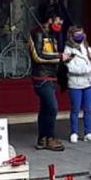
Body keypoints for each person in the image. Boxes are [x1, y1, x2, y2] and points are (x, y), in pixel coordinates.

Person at [29, 10, 68, 151]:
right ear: (50, 20)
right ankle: (50, 137)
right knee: (52, 108)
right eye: (58, 21)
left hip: (51, 77)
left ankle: (42, 139)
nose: (60, 24)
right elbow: (38, 56)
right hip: (41, 77)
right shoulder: (37, 33)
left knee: (45, 109)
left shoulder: (52, 36)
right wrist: (59, 56)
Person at [64, 25, 91, 144]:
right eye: (77, 34)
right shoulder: (68, 50)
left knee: (88, 109)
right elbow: (71, 67)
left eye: (82, 33)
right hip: (75, 83)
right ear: (72, 36)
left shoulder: (87, 48)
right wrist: (87, 69)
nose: (80, 36)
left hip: (89, 82)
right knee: (75, 109)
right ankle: (74, 132)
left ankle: (88, 132)